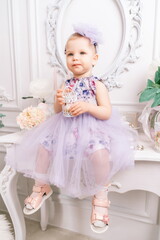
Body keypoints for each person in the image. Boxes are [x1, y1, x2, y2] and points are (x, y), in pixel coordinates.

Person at [5, 24, 134, 233]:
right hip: (65, 128)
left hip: (92, 129)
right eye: (70, 54)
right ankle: (41, 186)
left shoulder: (97, 85)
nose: (75, 58)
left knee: (99, 154)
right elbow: (58, 112)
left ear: (94, 59)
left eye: (82, 53)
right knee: (44, 147)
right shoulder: (66, 84)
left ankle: (100, 196)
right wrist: (57, 100)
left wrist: (88, 107)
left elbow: (106, 112)